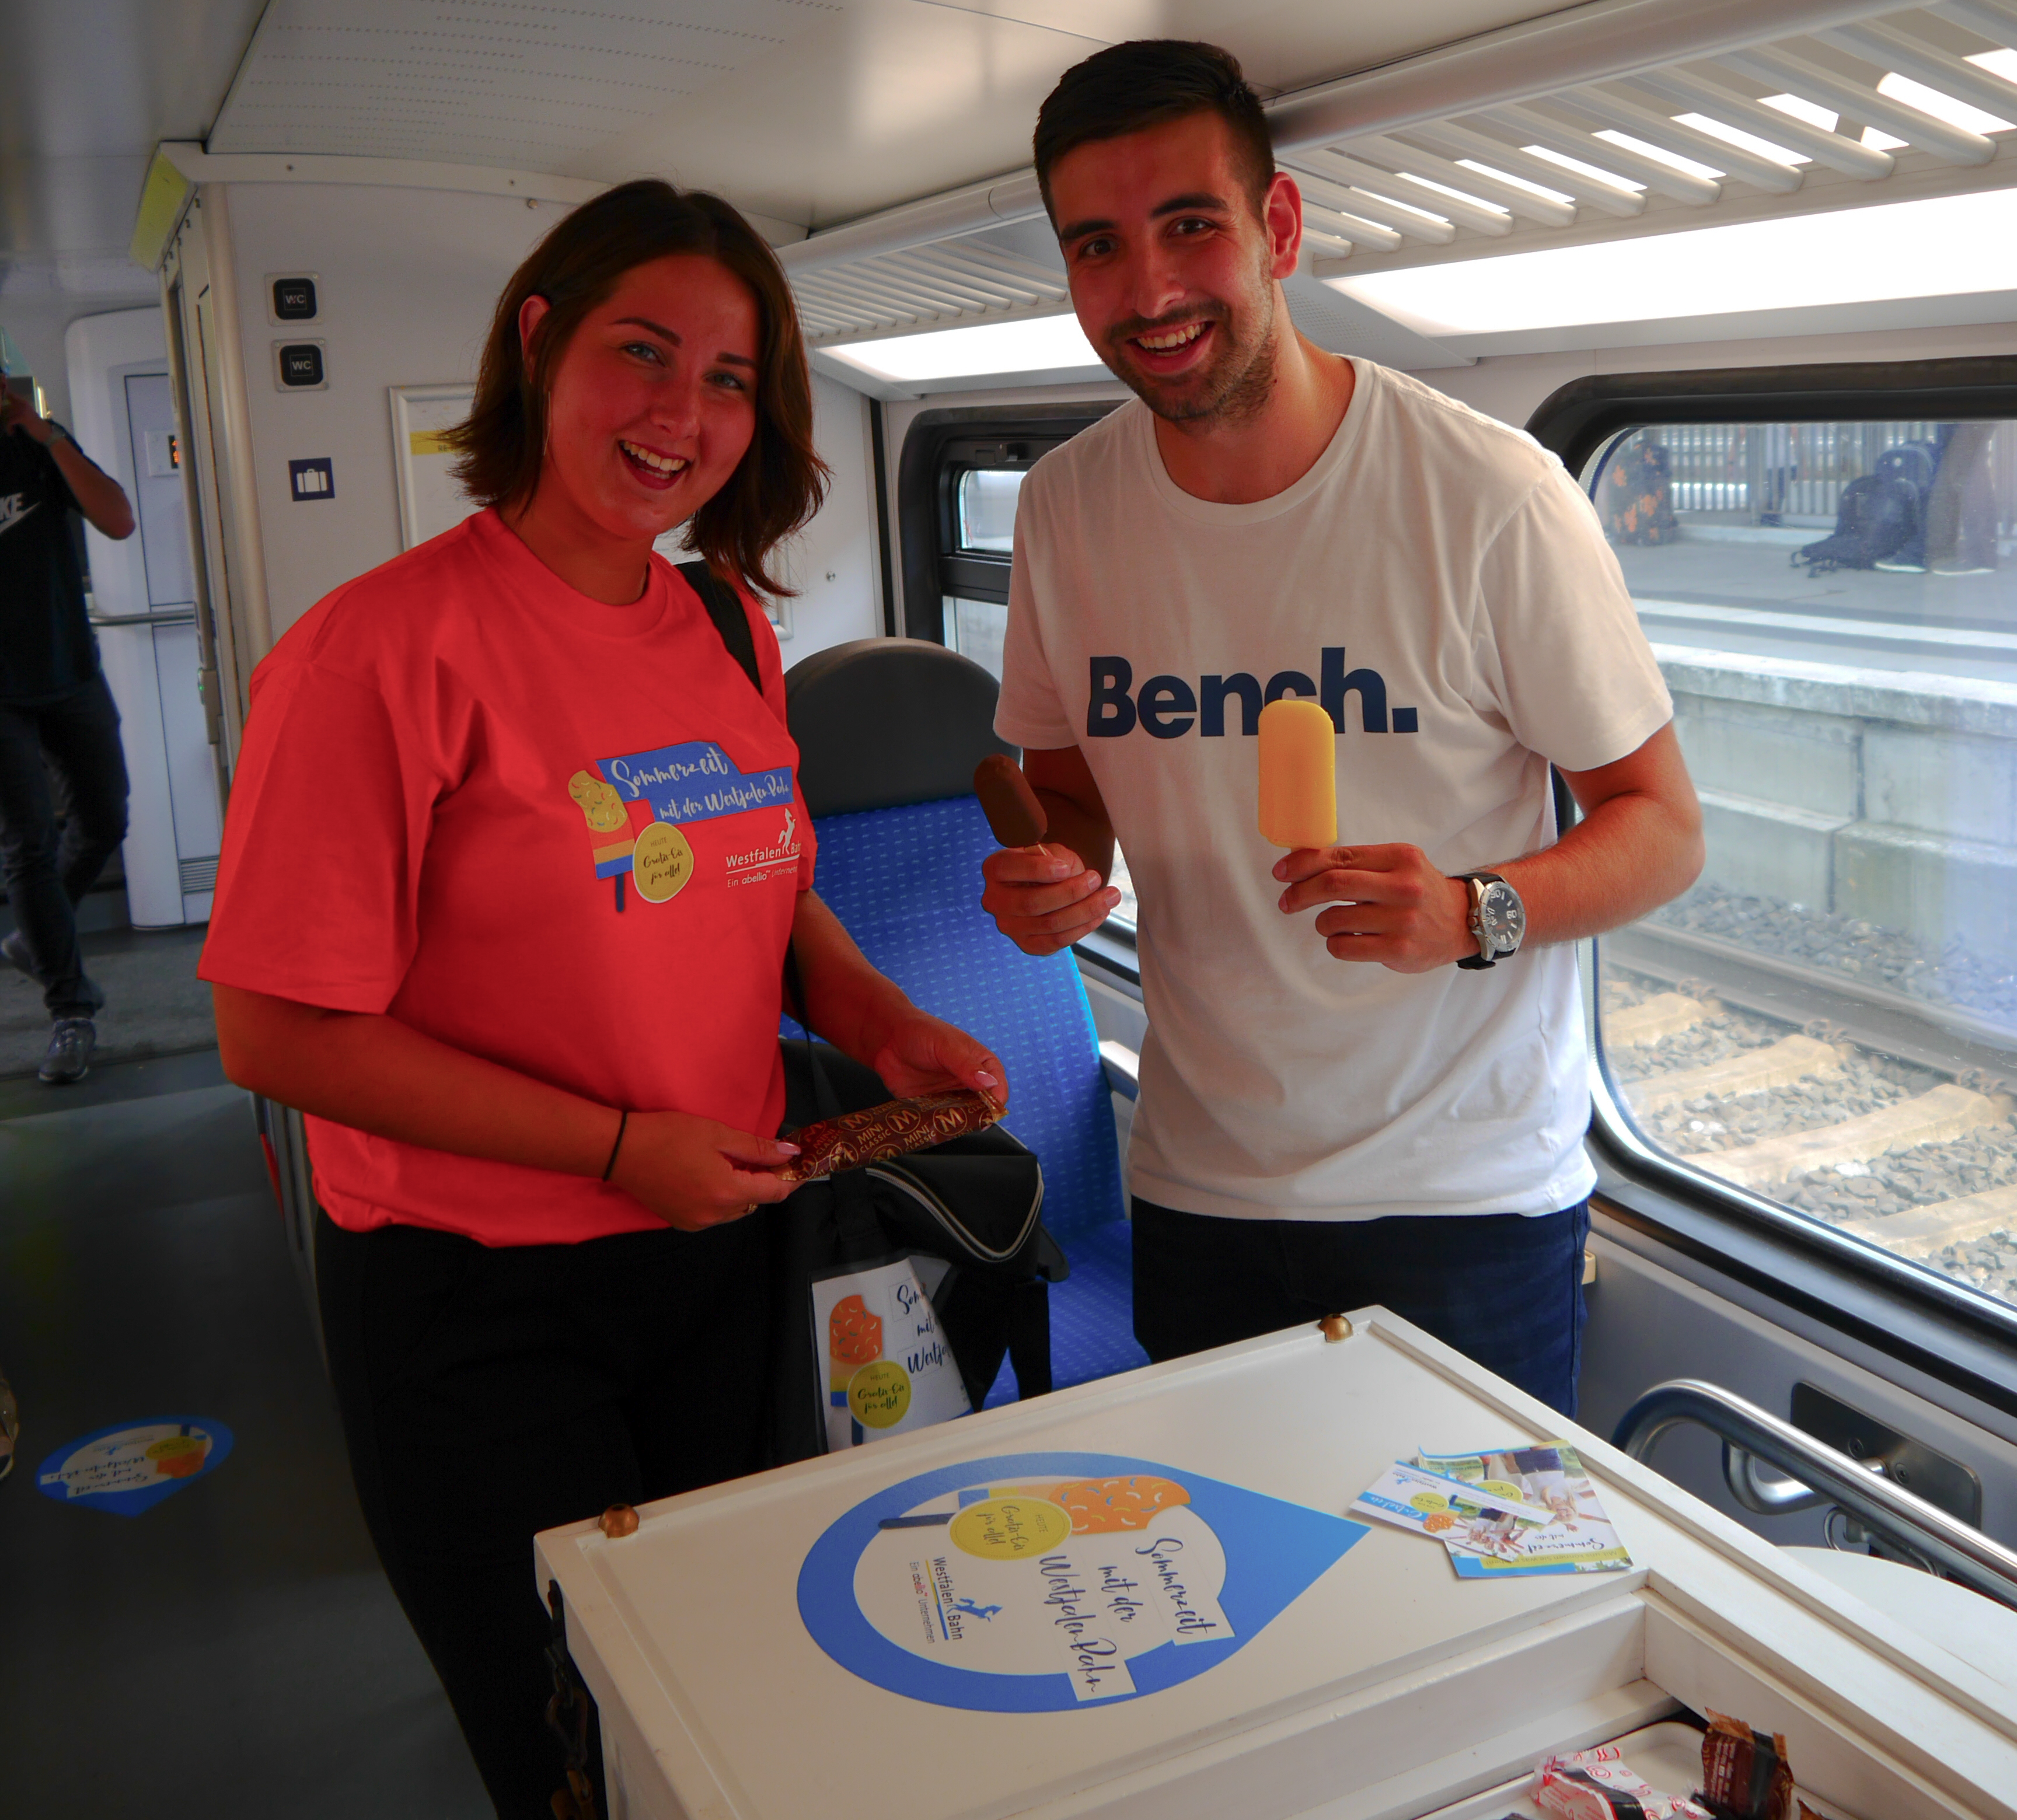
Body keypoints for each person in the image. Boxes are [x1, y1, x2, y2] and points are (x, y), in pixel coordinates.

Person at [200, 181, 1002, 1818]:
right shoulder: (375, 657)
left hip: (717, 1241)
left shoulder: (724, 622)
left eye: (729, 380)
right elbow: (274, 1031)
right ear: (538, 339)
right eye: (645, 353)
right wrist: (617, 1139)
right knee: (576, 1745)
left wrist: (873, 1016)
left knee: (729, 1685)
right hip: (481, 1301)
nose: (684, 414)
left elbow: (761, 887)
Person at [981, 41, 1703, 1414]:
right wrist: (1058, 871)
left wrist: (1469, 910)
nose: (1146, 291)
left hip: (1462, 1200)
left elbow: (1661, 828)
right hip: (1200, 1182)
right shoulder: (1066, 510)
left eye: (1188, 225)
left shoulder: (1485, 495)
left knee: (1462, 1622)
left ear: (1280, 229)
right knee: (1234, 1605)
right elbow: (1063, 779)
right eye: (1095, 246)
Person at [0, 378, 136, 1084]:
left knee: (107, 819)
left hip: (70, 670)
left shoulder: (37, 449)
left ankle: (37, 937)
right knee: (29, 843)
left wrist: (49, 436)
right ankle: (70, 1010)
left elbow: (117, 519)